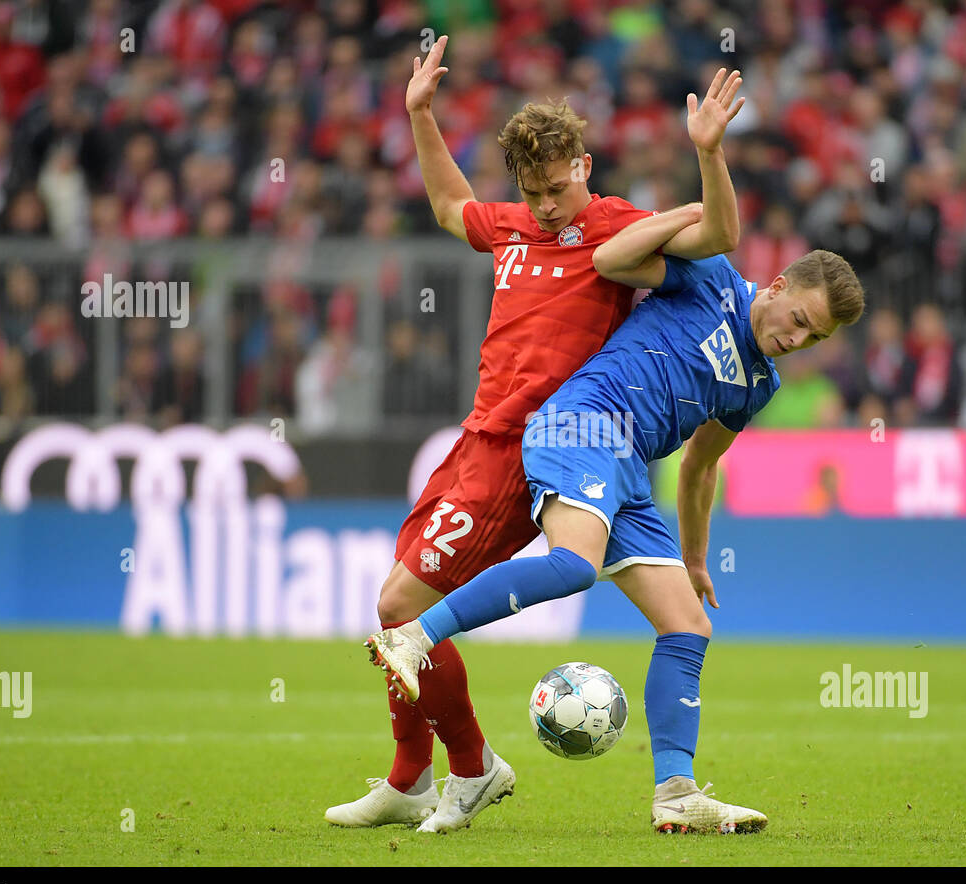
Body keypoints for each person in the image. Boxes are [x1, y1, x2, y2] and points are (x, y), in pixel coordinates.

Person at [326, 37, 747, 834]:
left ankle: (472, 766)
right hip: (475, 437)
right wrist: (421, 115)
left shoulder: (619, 229)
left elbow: (715, 239)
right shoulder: (514, 226)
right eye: (533, 191)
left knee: (398, 607)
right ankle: (412, 776)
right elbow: (452, 209)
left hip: (539, 448)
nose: (548, 205)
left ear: (585, 165)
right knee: (392, 612)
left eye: (557, 187)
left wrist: (709, 158)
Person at [367, 213, 865, 833]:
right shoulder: (711, 278)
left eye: (813, 339)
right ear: (779, 285)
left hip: (629, 468)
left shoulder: (758, 384)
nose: (797, 340)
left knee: (688, 624)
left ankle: (676, 793)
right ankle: (415, 636)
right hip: (581, 422)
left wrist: (695, 559)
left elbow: (699, 468)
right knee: (575, 565)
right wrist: (700, 195)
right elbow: (611, 261)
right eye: (799, 320)